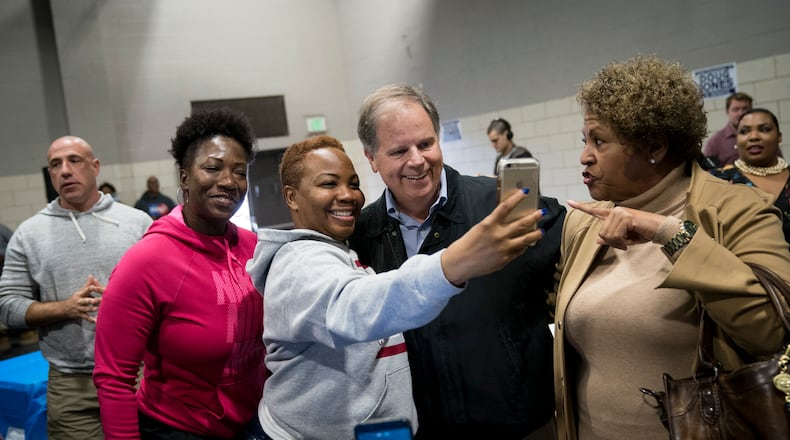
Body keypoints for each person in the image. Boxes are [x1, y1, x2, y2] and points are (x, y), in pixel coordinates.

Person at [551, 55, 790, 440]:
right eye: (585, 141)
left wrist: (669, 233)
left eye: (600, 141)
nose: (584, 156)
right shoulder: (584, 222)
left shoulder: (737, 210)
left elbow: (768, 331)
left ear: (655, 146)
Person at [245, 135, 545, 439]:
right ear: (292, 197)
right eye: (328, 184)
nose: (347, 195)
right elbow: (356, 306)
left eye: (353, 183)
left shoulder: (343, 251)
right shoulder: (297, 264)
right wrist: (454, 262)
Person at [349, 84, 565, 439]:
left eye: (425, 143)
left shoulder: (499, 205)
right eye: (399, 150)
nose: (417, 160)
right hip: (426, 430)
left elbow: (575, 260)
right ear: (371, 158)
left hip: (521, 426)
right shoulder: (363, 236)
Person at [93, 108, 266, 439]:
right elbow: (113, 377)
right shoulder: (147, 261)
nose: (228, 182)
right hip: (176, 429)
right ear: (185, 177)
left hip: (252, 424)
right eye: (212, 168)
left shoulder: (254, 248)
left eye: (239, 172)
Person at [0, 135, 153, 439]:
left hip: (139, 375)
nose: (65, 171)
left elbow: (171, 294)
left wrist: (127, 303)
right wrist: (64, 308)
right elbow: (7, 307)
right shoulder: (29, 235)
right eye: (55, 165)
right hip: (71, 386)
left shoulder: (139, 224)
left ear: (95, 167)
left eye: (74, 161)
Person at [710, 108, 789, 244]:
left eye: (764, 129)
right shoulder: (718, 180)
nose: (753, 137)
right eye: (744, 131)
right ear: (736, 140)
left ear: (779, 136)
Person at [702, 92, 752, 167]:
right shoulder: (715, 142)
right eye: (736, 109)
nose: (741, 113)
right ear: (727, 112)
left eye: (745, 109)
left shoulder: (760, 137)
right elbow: (707, 171)